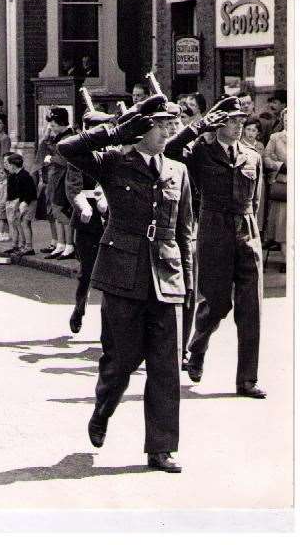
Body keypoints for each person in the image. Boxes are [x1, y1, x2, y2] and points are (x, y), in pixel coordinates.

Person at [58, 95, 194, 473]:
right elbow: (66, 147)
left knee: (165, 367)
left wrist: (189, 283)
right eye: (161, 124)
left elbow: (185, 233)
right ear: (141, 129)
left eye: (171, 124)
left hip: (166, 277)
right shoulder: (115, 162)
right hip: (123, 275)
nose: (169, 130)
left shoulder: (177, 171)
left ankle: (161, 448)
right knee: (121, 361)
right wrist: (115, 131)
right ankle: (103, 409)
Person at [165, 96, 266, 399]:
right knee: (217, 303)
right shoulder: (200, 153)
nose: (238, 126)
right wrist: (196, 128)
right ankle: (197, 348)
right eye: (231, 121)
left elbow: (256, 201)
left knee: (252, 309)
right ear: (218, 124)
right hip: (213, 229)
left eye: (240, 121)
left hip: (247, 231)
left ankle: (247, 380)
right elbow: (170, 151)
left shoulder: (252, 157)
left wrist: (253, 234)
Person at [64, 110, 113, 333]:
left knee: (113, 278)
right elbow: (73, 188)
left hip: (113, 220)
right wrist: (83, 206)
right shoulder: (78, 156)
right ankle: (80, 307)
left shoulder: (114, 153)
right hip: (89, 222)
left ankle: (110, 327)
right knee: (87, 272)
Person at [42, 107, 75, 260]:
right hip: (56, 178)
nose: (51, 128)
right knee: (56, 212)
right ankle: (61, 244)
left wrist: (51, 159)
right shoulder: (59, 136)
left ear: (61, 123)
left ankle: (69, 245)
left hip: (64, 178)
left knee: (61, 212)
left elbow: (65, 160)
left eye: (53, 125)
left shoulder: (68, 137)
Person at [262, 110, 287, 268]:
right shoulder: (276, 137)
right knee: (283, 227)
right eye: (286, 118)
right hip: (284, 186)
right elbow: (266, 156)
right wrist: (279, 166)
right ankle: (287, 260)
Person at [3, 152, 37, 256]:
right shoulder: (18, 175)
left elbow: (30, 192)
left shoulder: (24, 176)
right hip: (24, 202)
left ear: (13, 165)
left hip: (29, 202)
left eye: (8, 165)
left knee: (25, 223)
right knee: (20, 223)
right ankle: (23, 246)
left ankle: (29, 247)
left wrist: (25, 203)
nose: (8, 167)